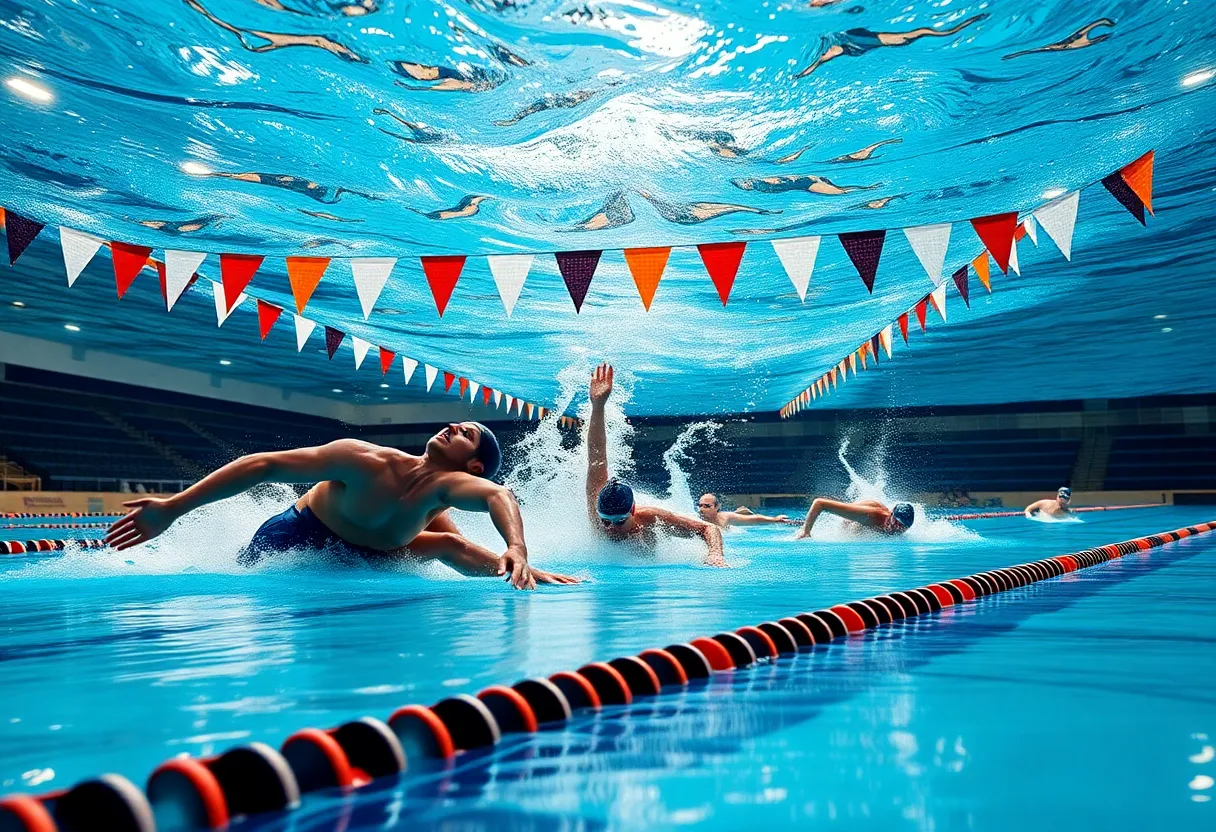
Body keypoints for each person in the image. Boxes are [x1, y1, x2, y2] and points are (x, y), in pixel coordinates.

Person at [104, 424, 579, 589]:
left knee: (447, 545)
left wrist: (518, 555)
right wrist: (175, 507)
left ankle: (516, 572)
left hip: (373, 556)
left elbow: (500, 495)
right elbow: (265, 465)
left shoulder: (446, 491)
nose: (453, 426)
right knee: (448, 542)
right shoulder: (365, 459)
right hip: (295, 537)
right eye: (456, 423)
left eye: (466, 433)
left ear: (473, 466)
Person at [585, 364, 726, 566]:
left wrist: (715, 554)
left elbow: (708, 529)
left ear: (633, 511)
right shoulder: (595, 507)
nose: (611, 528)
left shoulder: (651, 519)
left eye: (619, 521)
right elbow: (596, 454)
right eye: (605, 521)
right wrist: (598, 407)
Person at [796, 14, 987, 77]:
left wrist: (804, 73)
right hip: (867, 44)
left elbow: (820, 61)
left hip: (867, 43)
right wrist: (804, 73)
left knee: (924, 32)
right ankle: (972, 20)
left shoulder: (842, 44)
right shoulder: (840, 46)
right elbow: (820, 61)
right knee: (923, 32)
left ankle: (972, 20)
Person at [795, 497, 914, 539]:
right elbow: (820, 503)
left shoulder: (901, 527)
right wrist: (806, 531)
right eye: (896, 522)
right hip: (851, 521)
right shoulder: (869, 515)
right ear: (891, 514)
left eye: (902, 526)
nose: (896, 528)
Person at [696, 494, 790, 529]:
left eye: (707, 506)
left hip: (732, 528)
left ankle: (741, 511)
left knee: (743, 516)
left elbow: (755, 519)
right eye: (700, 506)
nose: (702, 509)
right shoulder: (695, 519)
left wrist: (775, 519)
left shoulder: (725, 517)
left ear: (717, 507)